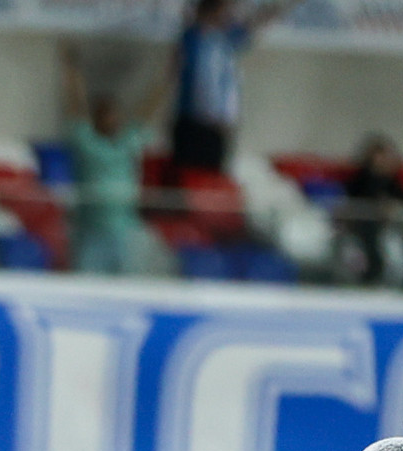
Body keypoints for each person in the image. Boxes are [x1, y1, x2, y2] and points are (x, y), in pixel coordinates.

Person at [59, 42, 165, 276]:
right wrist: (71, 70)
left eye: (114, 114)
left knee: (124, 284)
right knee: (85, 283)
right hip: (89, 230)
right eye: (105, 114)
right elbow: (76, 105)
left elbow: (148, 111)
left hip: (123, 231)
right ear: (96, 118)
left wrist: (168, 77)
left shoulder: (128, 142)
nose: (112, 119)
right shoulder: (87, 142)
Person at [168, 0, 292, 176]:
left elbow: (256, 22)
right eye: (226, 11)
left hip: (217, 128)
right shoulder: (194, 38)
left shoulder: (225, 39)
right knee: (190, 176)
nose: (232, 16)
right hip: (193, 124)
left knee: (212, 178)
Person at [340, 134, 403, 288]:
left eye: (388, 157)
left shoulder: (393, 182)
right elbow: (355, 203)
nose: (385, 162)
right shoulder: (360, 181)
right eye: (381, 158)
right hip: (363, 231)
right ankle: (372, 274)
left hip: (392, 229)